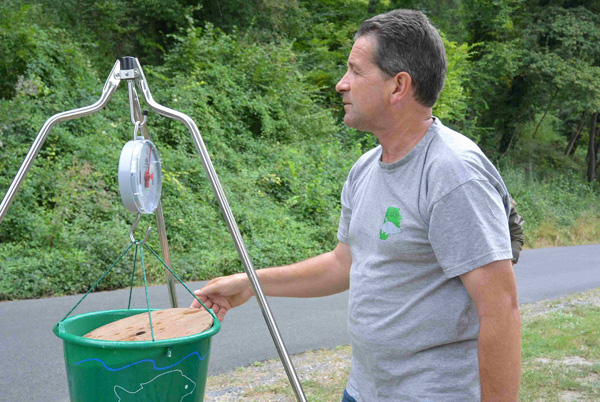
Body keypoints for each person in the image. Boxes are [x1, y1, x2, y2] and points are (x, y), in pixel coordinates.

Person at [192, 9, 522, 401]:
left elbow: (501, 309)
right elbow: (343, 264)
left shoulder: (452, 173)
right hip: (364, 391)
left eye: (355, 71)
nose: (340, 84)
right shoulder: (366, 168)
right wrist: (250, 283)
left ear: (398, 86)